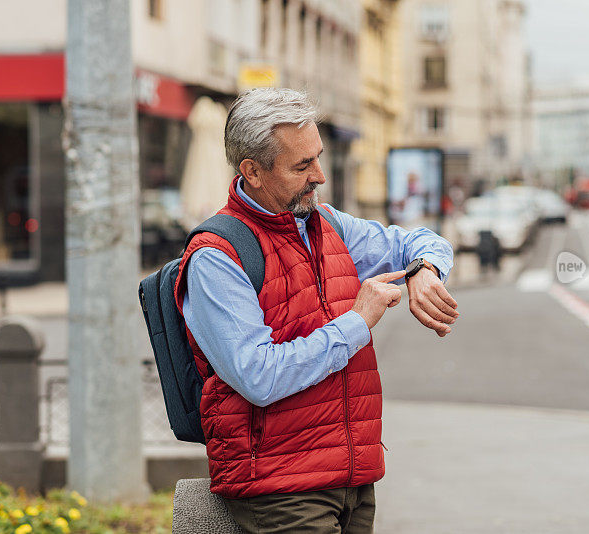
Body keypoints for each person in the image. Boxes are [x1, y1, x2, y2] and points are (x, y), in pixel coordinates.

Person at [173, 88, 458, 533]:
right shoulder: (217, 256)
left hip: (355, 478)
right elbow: (258, 376)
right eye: (302, 165)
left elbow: (419, 241)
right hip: (282, 490)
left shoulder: (325, 224)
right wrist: (357, 322)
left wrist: (424, 268)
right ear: (253, 172)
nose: (320, 175)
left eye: (318, 157)